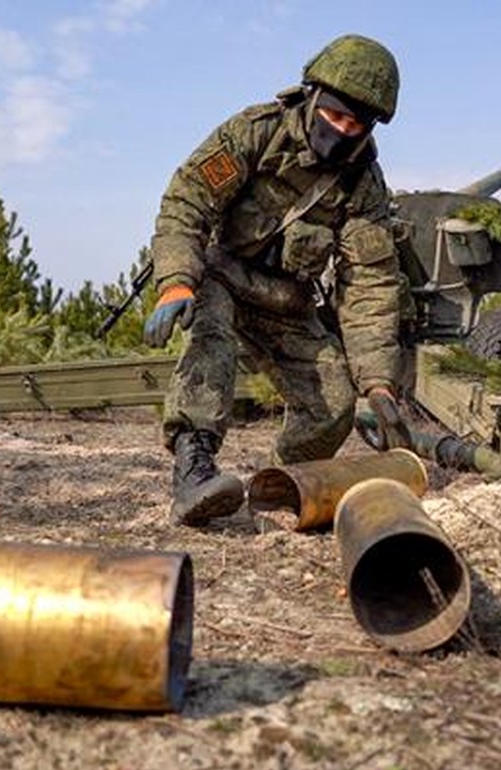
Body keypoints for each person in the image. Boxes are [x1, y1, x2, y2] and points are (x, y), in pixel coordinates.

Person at [142, 33, 411, 527]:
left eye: (356, 124)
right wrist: (177, 279)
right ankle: (193, 471)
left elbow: (370, 284)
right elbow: (188, 200)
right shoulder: (255, 131)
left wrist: (378, 382)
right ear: (312, 97)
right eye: (334, 115)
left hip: (286, 302)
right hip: (220, 278)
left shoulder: (364, 186)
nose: (343, 130)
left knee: (334, 400)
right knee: (210, 340)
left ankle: (288, 482)